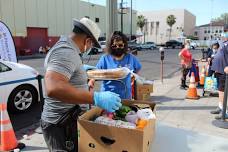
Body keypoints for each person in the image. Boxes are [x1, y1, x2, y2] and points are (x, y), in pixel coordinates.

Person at [41, 18, 122, 152]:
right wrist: (96, 98)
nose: (89, 48)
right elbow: (53, 87)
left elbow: (64, 72)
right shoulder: (66, 52)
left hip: (66, 122)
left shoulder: (68, 49)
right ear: (88, 41)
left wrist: (80, 70)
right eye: (91, 45)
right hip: (60, 126)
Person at [88, 31, 142, 99]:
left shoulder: (131, 58)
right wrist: (92, 81)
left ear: (124, 45)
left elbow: (138, 68)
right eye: (114, 46)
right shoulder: (105, 58)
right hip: (107, 97)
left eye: (120, 45)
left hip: (125, 97)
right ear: (110, 46)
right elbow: (96, 73)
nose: (117, 48)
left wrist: (133, 77)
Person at [210, 32, 228, 118]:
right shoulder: (223, 43)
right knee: (221, 90)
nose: (224, 35)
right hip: (219, 71)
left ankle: (226, 112)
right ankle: (220, 107)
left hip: (225, 71)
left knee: (225, 91)